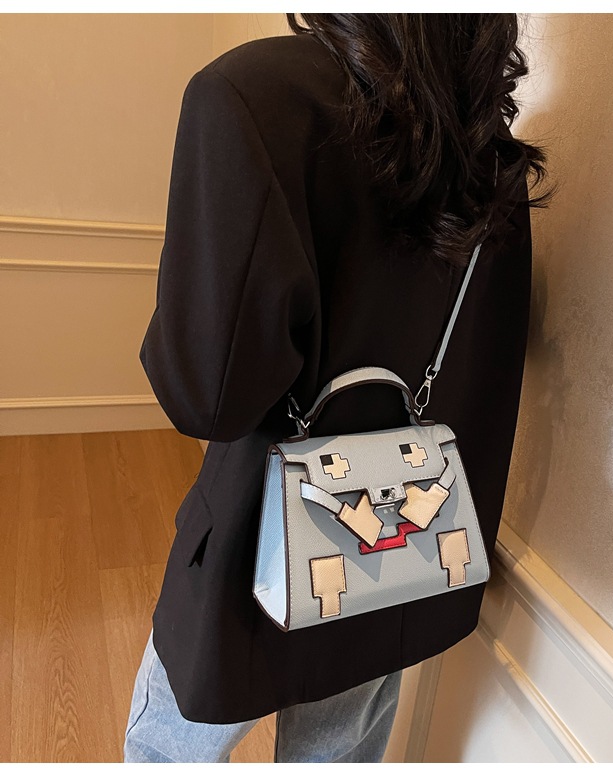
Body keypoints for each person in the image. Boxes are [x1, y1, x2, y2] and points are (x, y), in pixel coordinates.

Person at [124, 13, 549, 763]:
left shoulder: (249, 95)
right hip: (398, 546)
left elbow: (203, 397)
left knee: (171, 747)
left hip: (255, 528)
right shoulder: (488, 148)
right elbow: (486, 377)